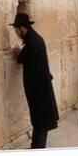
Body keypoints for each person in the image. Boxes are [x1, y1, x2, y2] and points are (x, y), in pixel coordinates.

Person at [11, 13, 59, 148]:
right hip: (41, 88)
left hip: (39, 91)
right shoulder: (35, 38)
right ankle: (36, 147)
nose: (16, 33)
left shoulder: (32, 42)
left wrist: (17, 53)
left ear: (22, 28)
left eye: (16, 30)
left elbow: (22, 59)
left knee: (40, 122)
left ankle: (37, 148)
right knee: (40, 122)